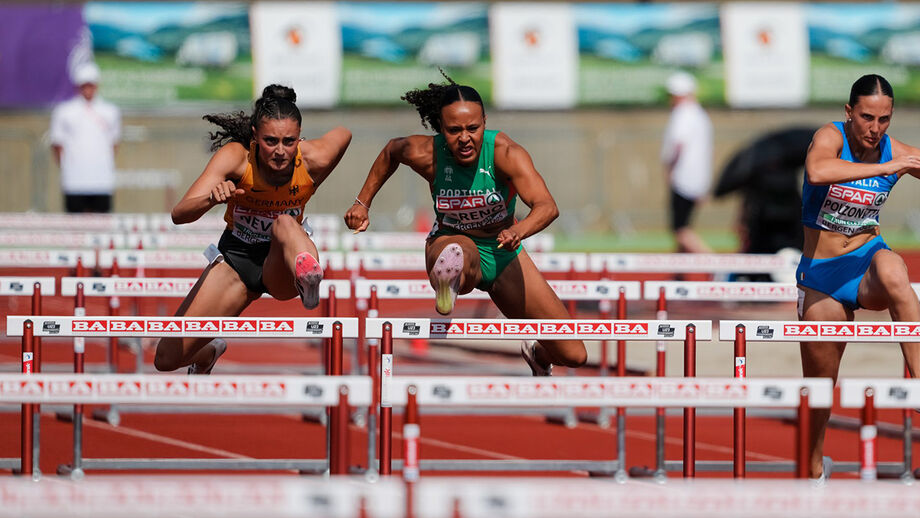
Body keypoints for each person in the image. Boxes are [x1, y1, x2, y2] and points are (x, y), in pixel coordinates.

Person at [343, 75, 586, 376]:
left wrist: (517, 232)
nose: (465, 138)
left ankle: (537, 352)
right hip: (451, 240)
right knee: (458, 250)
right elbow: (392, 151)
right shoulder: (428, 154)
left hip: (503, 251)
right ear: (441, 129)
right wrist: (362, 202)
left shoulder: (505, 153)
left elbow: (547, 206)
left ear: (485, 122)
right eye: (454, 130)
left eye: (473, 128)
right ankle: (449, 280)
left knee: (574, 354)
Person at [153, 84, 351, 374]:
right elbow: (179, 214)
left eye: (289, 141)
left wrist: (350, 195)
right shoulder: (236, 158)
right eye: (271, 141)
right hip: (237, 260)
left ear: (300, 138)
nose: (281, 152)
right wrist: (212, 198)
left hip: (282, 260)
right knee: (165, 359)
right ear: (255, 137)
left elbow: (344, 134)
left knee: (284, 222)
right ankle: (208, 353)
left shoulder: (313, 158)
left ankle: (309, 276)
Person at [797, 74, 920, 480]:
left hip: (866, 264)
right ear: (849, 112)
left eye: (884, 120)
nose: (875, 129)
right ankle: (813, 464)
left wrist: (900, 161)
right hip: (822, 277)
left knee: (895, 270)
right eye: (867, 117)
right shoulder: (830, 137)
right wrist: (890, 166)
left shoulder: (895, 148)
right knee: (820, 389)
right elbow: (817, 171)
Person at [49, 61, 121, 213]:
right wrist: (67, 167)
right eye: (84, 85)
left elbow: (114, 143)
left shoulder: (110, 111)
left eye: (91, 85)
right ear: (78, 86)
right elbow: (57, 144)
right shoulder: (64, 111)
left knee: (102, 225)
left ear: (96, 85)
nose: (88, 89)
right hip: (74, 181)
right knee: (74, 227)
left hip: (102, 180)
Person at [660, 71, 712, 253]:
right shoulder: (699, 114)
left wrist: (670, 169)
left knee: (680, 229)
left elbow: (678, 144)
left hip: (683, 178)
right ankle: (677, 274)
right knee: (682, 226)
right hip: (696, 178)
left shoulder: (683, 114)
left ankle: (715, 264)